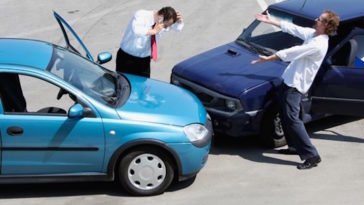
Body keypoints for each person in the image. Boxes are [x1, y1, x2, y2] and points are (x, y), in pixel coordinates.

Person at [251, 10, 339, 169]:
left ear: (326, 25)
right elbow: (293, 28)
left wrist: (270, 58)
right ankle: (293, 147)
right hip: (289, 80)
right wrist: (270, 21)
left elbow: (293, 52)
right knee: (286, 115)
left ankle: (312, 156)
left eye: (319, 19)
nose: (315, 19)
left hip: (295, 86)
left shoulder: (318, 44)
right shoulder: (314, 34)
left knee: (292, 119)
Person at [116, 6, 184, 78]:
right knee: (123, 85)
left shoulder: (161, 24)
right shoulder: (141, 15)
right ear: (160, 18)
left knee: (144, 86)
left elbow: (177, 29)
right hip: (127, 58)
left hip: (144, 61)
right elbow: (136, 30)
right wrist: (153, 31)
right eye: (166, 26)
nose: (166, 28)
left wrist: (180, 22)